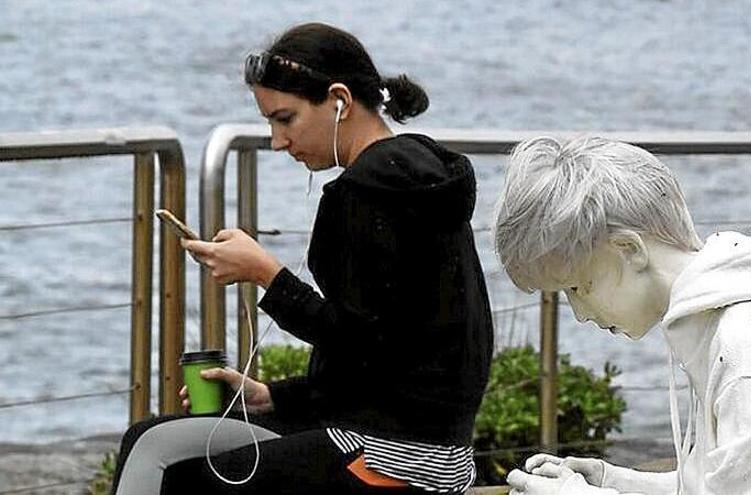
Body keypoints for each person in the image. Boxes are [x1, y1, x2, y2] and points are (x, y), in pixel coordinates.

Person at [111, 22, 493, 495]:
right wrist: (272, 397)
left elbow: (356, 340)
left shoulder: (363, 193)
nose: (276, 141)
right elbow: (390, 351)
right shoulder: (423, 178)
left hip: (386, 455)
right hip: (442, 455)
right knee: (150, 439)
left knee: (165, 465)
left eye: (285, 118)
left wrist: (266, 275)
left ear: (339, 100)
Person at [493, 136, 751, 494]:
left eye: (579, 287)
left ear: (629, 248)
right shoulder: (730, 318)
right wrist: (614, 481)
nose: (579, 313)